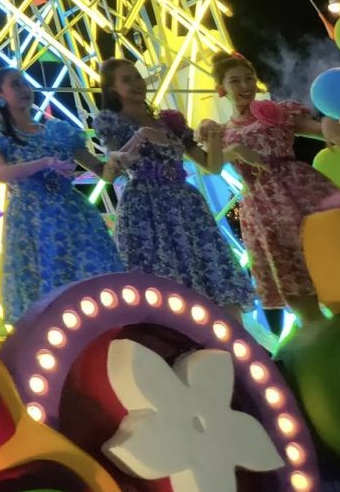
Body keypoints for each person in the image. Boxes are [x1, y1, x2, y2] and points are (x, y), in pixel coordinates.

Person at [92, 58, 253, 313]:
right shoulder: (113, 122)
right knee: (162, 277)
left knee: (211, 269)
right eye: (127, 80)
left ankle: (231, 333)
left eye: (137, 77)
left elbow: (210, 166)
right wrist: (137, 139)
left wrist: (213, 135)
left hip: (186, 205)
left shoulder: (169, 121)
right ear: (113, 89)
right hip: (146, 207)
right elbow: (111, 171)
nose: (137, 83)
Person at [198, 52, 340, 324]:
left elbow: (316, 129)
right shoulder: (220, 131)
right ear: (221, 89)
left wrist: (327, 123)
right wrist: (232, 149)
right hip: (262, 205)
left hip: (300, 188)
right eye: (235, 81)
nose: (245, 85)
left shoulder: (277, 113)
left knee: (328, 247)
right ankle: (314, 327)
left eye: (249, 78)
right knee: (289, 270)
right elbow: (211, 166)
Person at [0, 68, 122, 325]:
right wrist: (45, 162)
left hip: (72, 216)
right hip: (32, 220)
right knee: (47, 290)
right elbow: (2, 174)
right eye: (15, 84)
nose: (24, 89)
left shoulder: (59, 132)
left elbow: (102, 172)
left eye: (24, 83)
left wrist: (119, 156)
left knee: (89, 282)